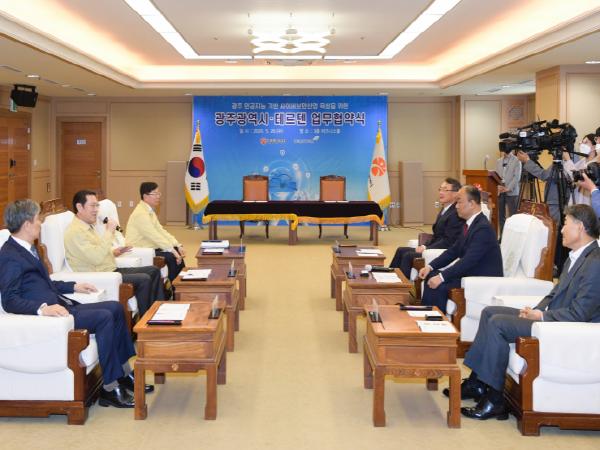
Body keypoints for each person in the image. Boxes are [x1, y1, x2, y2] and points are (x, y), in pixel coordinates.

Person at [452, 204, 600, 420]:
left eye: (566, 224)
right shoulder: (576, 256)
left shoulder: (595, 263)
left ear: (580, 227)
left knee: (498, 323)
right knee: (490, 312)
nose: (561, 230)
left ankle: (495, 400)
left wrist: (542, 316)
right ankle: (478, 383)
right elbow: (554, 294)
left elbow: (580, 314)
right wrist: (536, 310)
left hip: (562, 328)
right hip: (550, 319)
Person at [0, 199, 149, 408]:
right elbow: (9, 300)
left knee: (115, 307)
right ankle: (109, 388)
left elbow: (45, 283)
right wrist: (42, 309)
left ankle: (123, 373)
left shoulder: (27, 249)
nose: (40, 223)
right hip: (54, 316)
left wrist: (74, 286)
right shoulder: (10, 256)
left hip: (63, 305)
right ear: (26, 224)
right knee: (104, 316)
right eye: (37, 220)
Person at [64, 190, 165, 318]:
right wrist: (109, 231)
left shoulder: (87, 226)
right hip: (101, 275)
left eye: (97, 206)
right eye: (92, 206)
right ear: (79, 207)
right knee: (144, 279)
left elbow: (95, 251)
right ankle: (146, 320)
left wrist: (113, 252)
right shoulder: (76, 232)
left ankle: (159, 312)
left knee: (153, 270)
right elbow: (96, 258)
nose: (96, 210)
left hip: (109, 269)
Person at [418, 185, 503, 313]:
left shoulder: (483, 228)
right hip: (470, 274)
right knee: (431, 275)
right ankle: (425, 316)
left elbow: (468, 260)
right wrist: (430, 266)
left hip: (481, 280)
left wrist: (442, 277)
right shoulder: (470, 224)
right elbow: (453, 251)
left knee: (439, 285)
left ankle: (436, 321)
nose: (456, 206)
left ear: (472, 204)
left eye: (459, 202)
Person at [390, 178, 464, 278]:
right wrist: (424, 246)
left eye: (445, 190)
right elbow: (437, 236)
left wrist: (426, 248)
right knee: (401, 250)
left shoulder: (455, 213)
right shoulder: (445, 209)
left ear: (455, 193)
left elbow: (448, 241)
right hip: (434, 247)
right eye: (440, 189)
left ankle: (402, 285)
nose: (441, 192)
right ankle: (388, 278)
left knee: (408, 256)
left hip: (441, 251)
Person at [125, 182, 185, 282]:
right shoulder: (141, 213)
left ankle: (182, 283)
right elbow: (154, 236)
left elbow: (160, 231)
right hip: (140, 249)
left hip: (150, 245)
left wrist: (177, 244)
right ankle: (174, 287)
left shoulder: (148, 210)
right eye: (155, 194)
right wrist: (173, 251)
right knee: (171, 256)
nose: (158, 196)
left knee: (175, 250)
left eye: (158, 193)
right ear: (145, 196)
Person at [562, 133, 597, 205]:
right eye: (582, 142)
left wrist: (568, 159)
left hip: (587, 202)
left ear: (594, 147)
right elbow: (569, 174)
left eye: (586, 142)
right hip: (577, 200)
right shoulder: (583, 160)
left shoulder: (595, 164)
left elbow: (577, 177)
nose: (581, 144)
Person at [495, 147, 521, 235]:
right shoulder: (498, 161)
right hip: (501, 191)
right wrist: (499, 186)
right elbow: (497, 176)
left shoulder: (517, 160)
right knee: (501, 216)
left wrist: (508, 188)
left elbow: (517, 177)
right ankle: (502, 236)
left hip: (512, 192)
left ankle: (513, 237)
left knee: (513, 216)